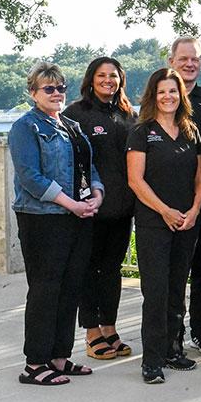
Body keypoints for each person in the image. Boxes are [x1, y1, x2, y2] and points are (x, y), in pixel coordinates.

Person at [9, 62, 103, 386]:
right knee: (45, 291)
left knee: (70, 289)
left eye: (61, 87)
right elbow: (31, 178)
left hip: (77, 218)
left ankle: (59, 357)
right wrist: (71, 203)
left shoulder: (73, 127)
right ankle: (34, 364)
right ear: (33, 93)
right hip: (42, 220)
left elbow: (90, 170)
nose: (57, 93)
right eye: (48, 88)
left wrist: (96, 196)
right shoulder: (25, 127)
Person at [127, 68, 201, 384]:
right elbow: (135, 180)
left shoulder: (191, 131)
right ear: (153, 96)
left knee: (177, 290)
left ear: (181, 95)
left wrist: (194, 210)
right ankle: (152, 360)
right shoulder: (142, 132)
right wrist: (164, 211)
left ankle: (174, 350)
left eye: (173, 91)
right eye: (162, 92)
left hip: (187, 223)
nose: (168, 96)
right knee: (156, 292)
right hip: (153, 224)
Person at [64, 57, 137, 361]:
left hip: (123, 209)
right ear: (91, 79)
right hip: (90, 209)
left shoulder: (129, 115)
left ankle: (109, 326)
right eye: (101, 75)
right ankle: (92, 331)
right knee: (89, 270)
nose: (108, 80)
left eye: (114, 76)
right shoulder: (75, 114)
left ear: (121, 80)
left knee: (112, 271)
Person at [168, 37, 201, 355]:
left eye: (195, 59)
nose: (190, 64)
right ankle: (172, 333)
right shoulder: (161, 96)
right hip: (168, 203)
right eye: (183, 58)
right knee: (172, 274)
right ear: (172, 60)